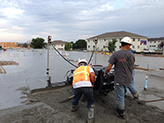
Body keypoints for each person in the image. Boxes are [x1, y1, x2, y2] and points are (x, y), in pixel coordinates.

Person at [104, 37, 135, 119]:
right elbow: (131, 67)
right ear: (128, 45)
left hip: (119, 80)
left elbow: (108, 68)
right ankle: (122, 106)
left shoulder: (116, 54)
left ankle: (120, 113)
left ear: (122, 44)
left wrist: (105, 73)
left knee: (120, 98)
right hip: (128, 79)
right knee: (123, 93)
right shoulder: (132, 55)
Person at [71, 59, 96, 123]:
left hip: (76, 86)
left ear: (78, 65)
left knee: (76, 97)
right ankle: (90, 118)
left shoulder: (75, 70)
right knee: (90, 99)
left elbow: (73, 78)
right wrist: (92, 84)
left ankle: (73, 107)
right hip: (87, 85)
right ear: (86, 64)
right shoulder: (88, 68)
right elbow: (93, 75)